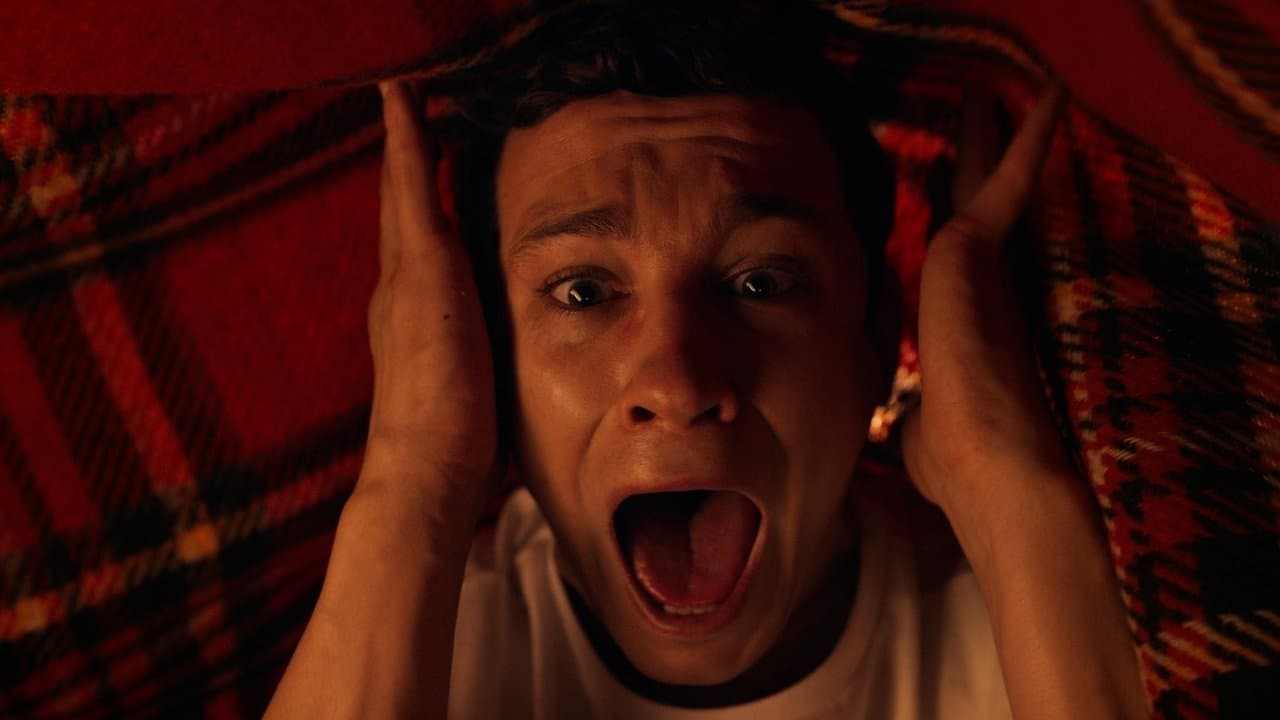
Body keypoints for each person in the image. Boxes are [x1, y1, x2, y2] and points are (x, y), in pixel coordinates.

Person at [265, 3, 1147, 718]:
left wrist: (1006, 480)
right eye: (583, 292)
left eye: (760, 282)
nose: (676, 384)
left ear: (876, 339)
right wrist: (410, 483)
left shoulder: (1031, 627)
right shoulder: (411, 643)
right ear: (488, 364)